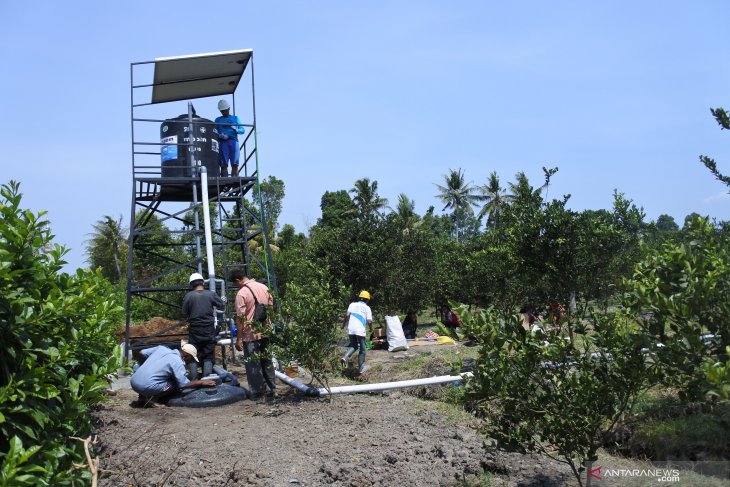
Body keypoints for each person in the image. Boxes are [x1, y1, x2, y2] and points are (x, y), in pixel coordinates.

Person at [229, 269, 276, 399]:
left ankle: (259, 393)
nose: (235, 286)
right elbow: (272, 310)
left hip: (250, 334)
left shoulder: (242, 293)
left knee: (253, 364)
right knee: (267, 361)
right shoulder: (264, 287)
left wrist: (238, 339)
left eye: (235, 283)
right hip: (266, 332)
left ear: (238, 280)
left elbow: (240, 318)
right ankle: (272, 389)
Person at [130, 344, 215, 408]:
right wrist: (201, 382)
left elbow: (141, 352)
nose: (190, 362)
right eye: (191, 359)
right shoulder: (178, 362)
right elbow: (183, 384)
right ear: (186, 356)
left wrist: (145, 365)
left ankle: (142, 397)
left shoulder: (162, 348)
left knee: (154, 378)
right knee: (175, 384)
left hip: (133, 381)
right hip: (145, 386)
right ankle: (151, 399)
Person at [181, 272, 225, 380]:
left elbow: (184, 312)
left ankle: (194, 379)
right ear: (203, 283)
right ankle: (207, 379)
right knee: (208, 354)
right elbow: (221, 304)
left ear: (192, 285)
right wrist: (223, 299)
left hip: (194, 330)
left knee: (192, 353)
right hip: (208, 329)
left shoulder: (188, 296)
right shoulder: (210, 294)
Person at [341, 290, 373, 374]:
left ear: (360, 298)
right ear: (367, 300)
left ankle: (345, 357)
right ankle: (361, 367)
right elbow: (369, 321)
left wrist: (343, 325)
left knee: (354, 345)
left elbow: (346, 316)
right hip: (360, 330)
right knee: (362, 349)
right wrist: (371, 329)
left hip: (351, 329)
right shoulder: (367, 308)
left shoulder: (352, 304)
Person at [215, 99, 245, 177]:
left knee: (235, 164)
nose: (224, 112)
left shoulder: (235, 118)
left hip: (233, 142)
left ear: (229, 109)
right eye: (222, 111)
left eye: (225, 110)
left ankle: (235, 182)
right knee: (223, 164)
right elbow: (214, 132)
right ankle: (224, 183)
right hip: (223, 143)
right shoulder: (218, 120)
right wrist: (219, 136)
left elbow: (242, 130)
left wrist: (237, 130)